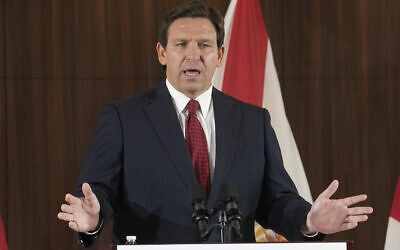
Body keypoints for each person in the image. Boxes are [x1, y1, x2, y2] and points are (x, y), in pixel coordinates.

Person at [57, 0, 373, 247]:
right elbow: (97, 193)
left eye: (205, 45)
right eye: (181, 44)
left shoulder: (253, 121)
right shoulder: (123, 118)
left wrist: (309, 221)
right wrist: (94, 218)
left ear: (220, 55)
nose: (193, 55)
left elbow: (276, 201)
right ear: (162, 53)